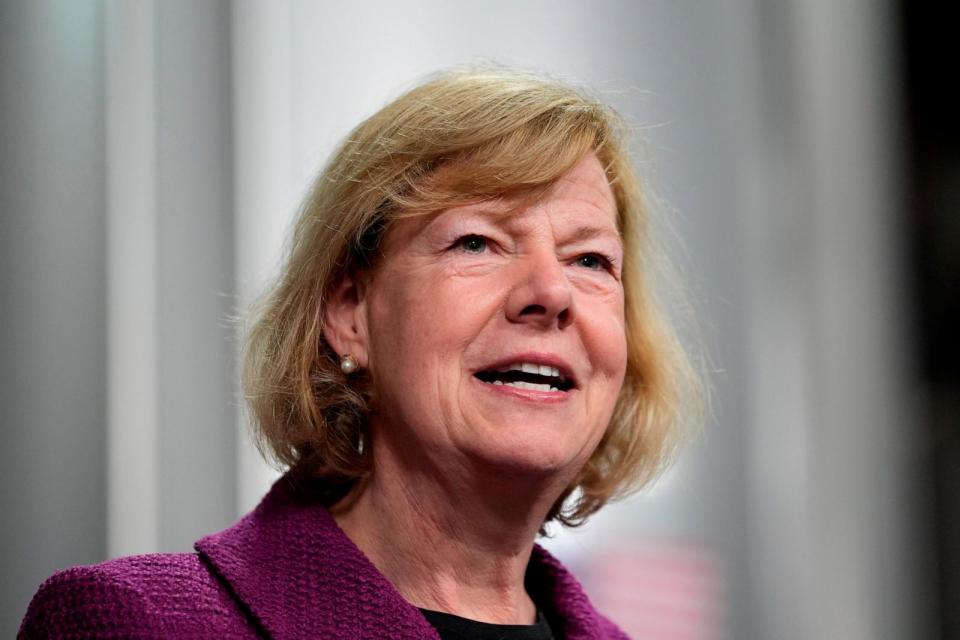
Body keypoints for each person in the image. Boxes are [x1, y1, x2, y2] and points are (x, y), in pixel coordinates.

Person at [19, 67, 701, 639]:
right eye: (478, 242)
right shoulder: (132, 623)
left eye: (589, 259)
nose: (551, 292)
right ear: (350, 313)